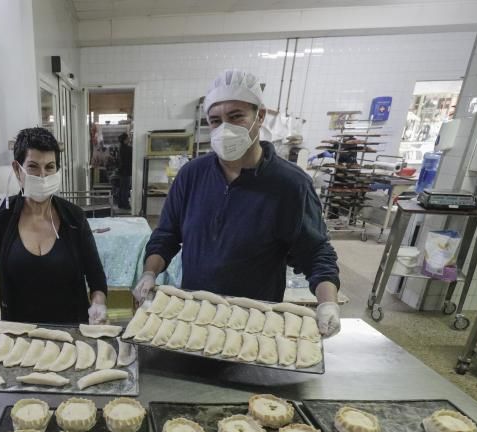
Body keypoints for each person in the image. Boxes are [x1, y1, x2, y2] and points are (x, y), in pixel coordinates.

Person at [132, 69, 342, 337]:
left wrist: (327, 304)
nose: (225, 129)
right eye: (215, 120)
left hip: (255, 320)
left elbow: (316, 254)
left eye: (236, 117)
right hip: (195, 315)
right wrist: (149, 274)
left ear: (260, 116)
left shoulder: (290, 185)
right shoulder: (192, 176)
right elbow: (166, 235)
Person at [0, 127, 108, 328]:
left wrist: (98, 304)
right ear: (17, 169)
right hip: (18, 332)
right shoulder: (3, 215)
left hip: (72, 331)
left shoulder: (74, 218)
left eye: (50, 167)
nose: (43, 176)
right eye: (33, 167)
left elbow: (96, 278)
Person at [116, 132, 132, 211]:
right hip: (126, 171)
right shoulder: (128, 149)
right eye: (128, 138)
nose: (129, 139)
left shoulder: (121, 148)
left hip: (122, 171)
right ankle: (125, 205)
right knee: (125, 189)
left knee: (122, 188)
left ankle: (120, 204)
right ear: (125, 140)